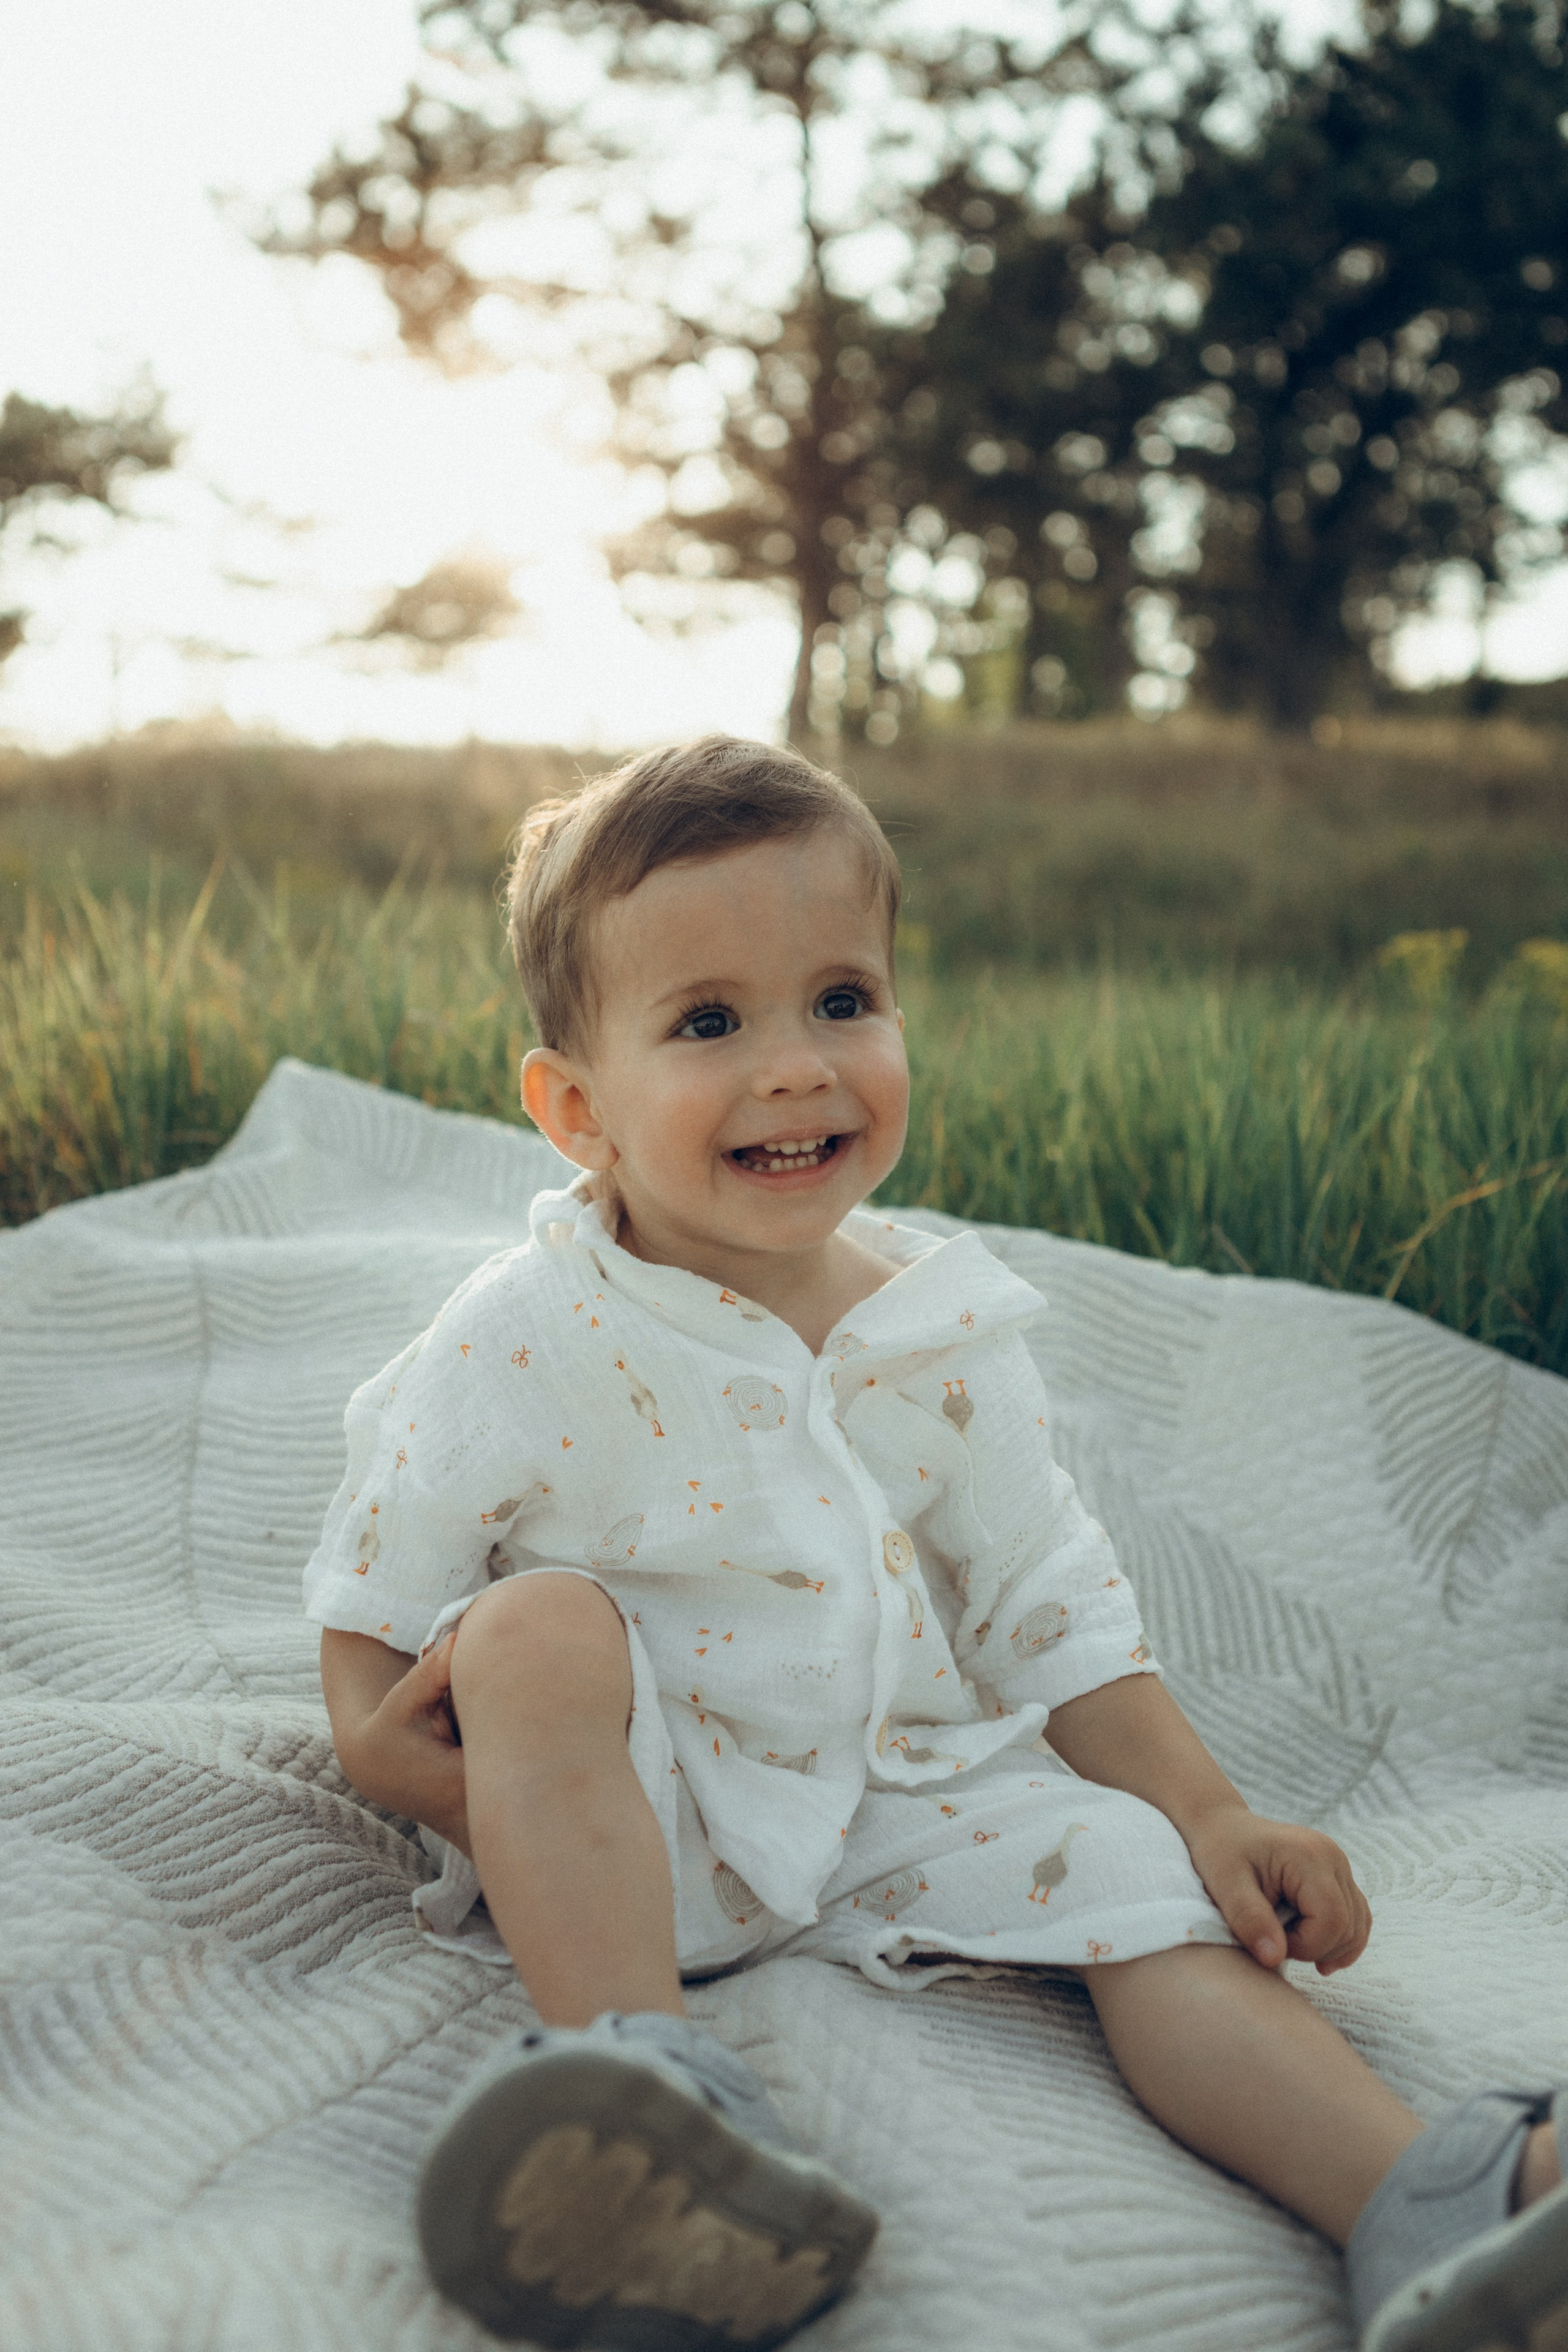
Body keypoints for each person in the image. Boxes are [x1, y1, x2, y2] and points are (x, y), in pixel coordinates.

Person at [306, 736, 1565, 2352]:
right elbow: (378, 1565)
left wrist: (1209, 1813)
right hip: (623, 1808)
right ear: (575, 1109)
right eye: (709, 1023)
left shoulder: (939, 1328)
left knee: (1140, 1879)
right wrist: (381, 1742)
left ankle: (1421, 2207)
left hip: (896, 1782)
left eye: (843, 1001)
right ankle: (638, 2089)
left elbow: (1054, 1608)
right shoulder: (527, 1328)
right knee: (542, 1625)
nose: (796, 1066)